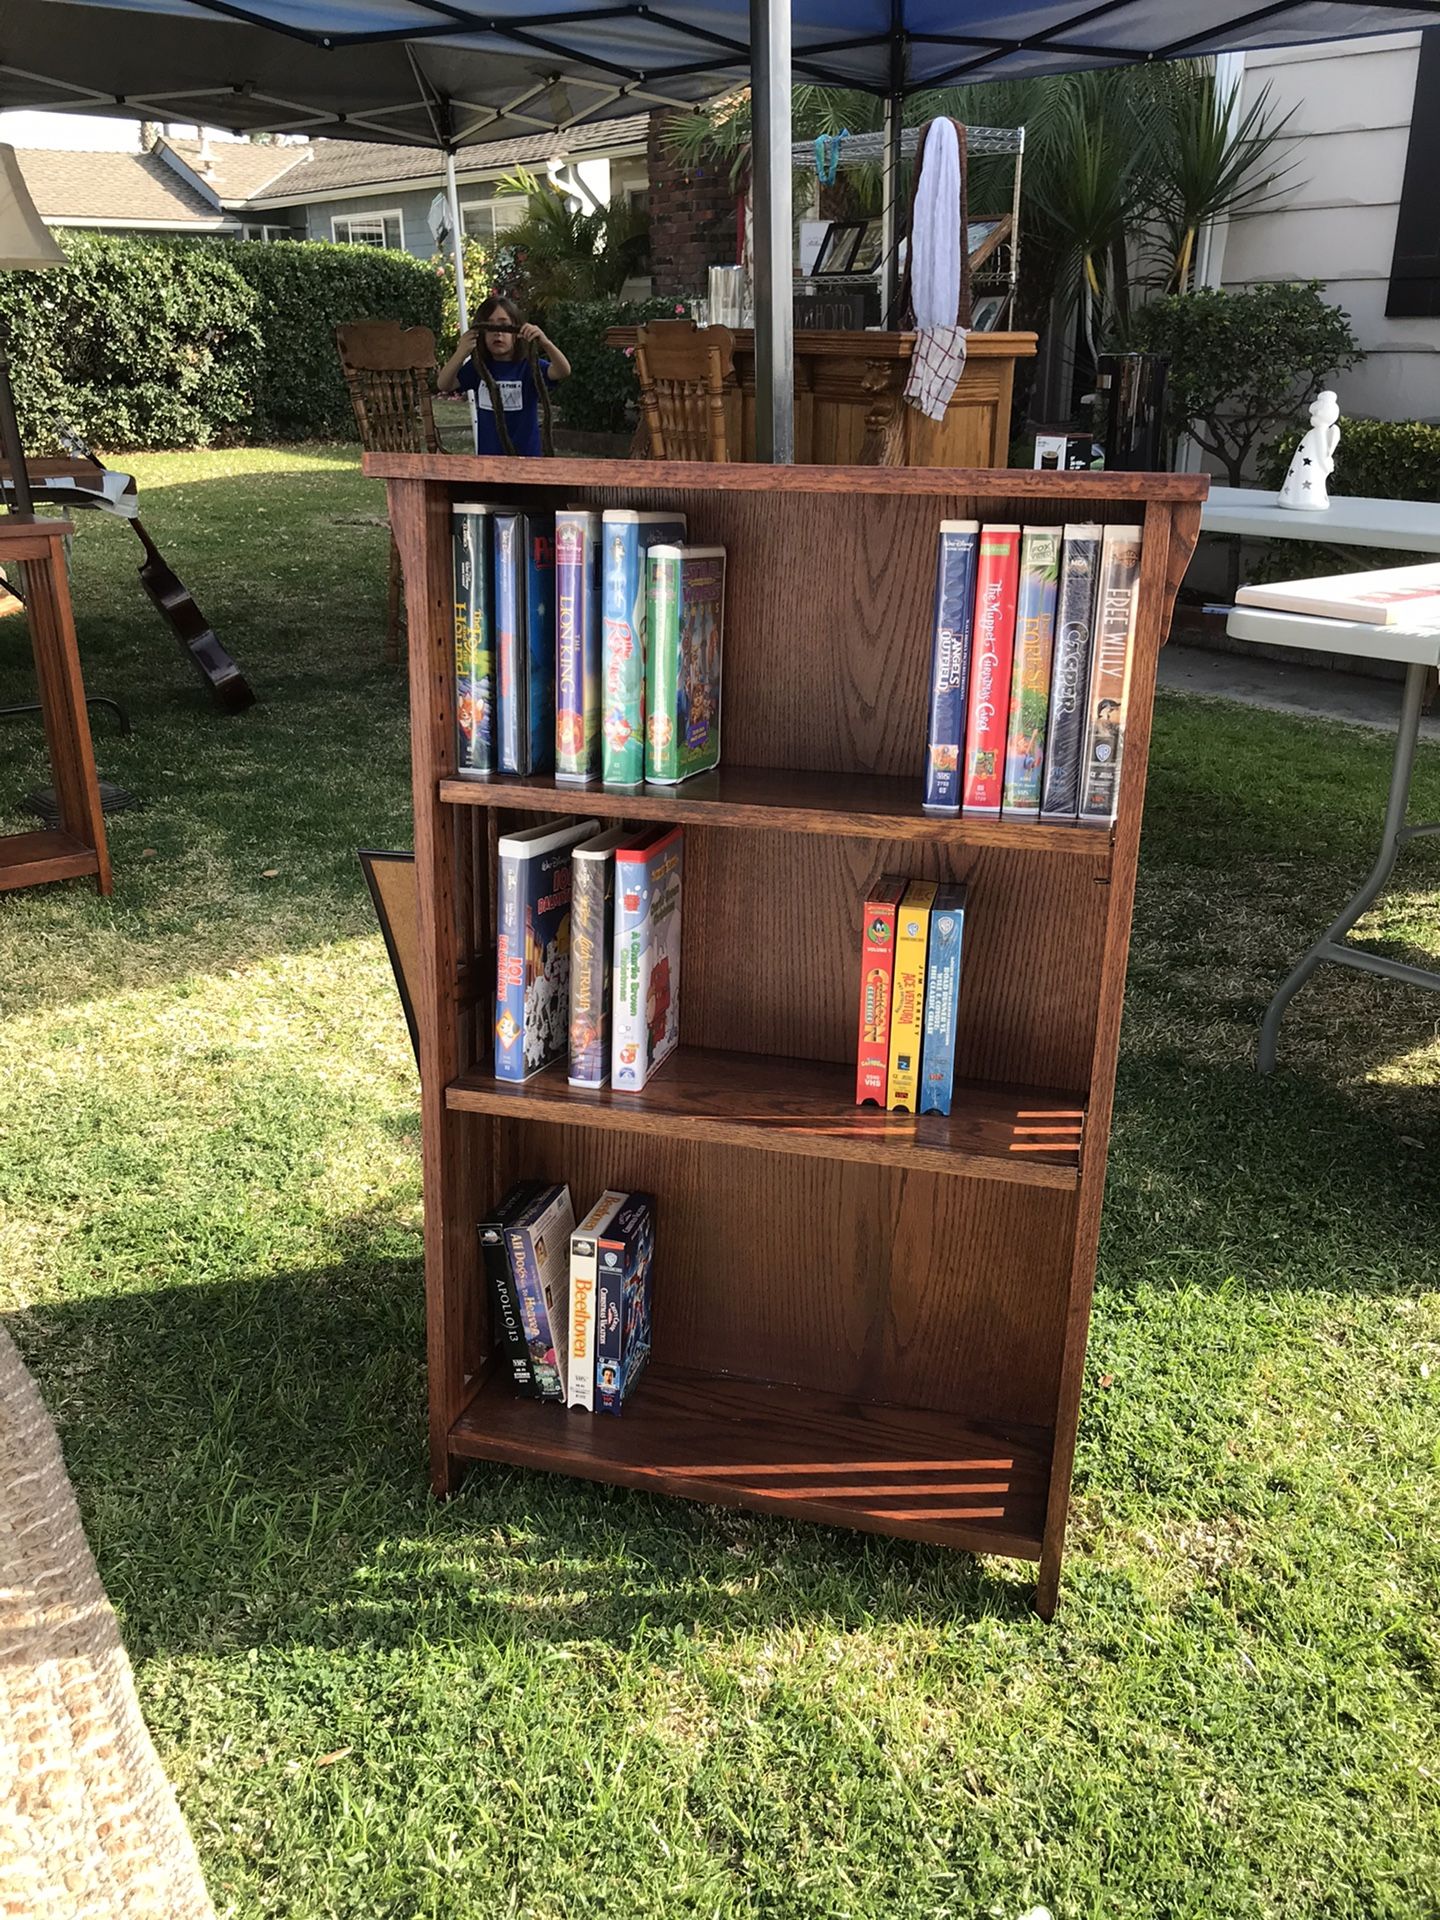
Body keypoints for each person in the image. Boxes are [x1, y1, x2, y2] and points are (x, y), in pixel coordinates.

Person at [437, 294, 570, 457]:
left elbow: (563, 370)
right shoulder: (478, 367)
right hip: (489, 459)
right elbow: (444, 384)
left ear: (516, 332)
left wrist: (545, 342)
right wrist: (461, 352)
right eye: (490, 327)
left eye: (504, 326)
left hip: (528, 458)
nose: (497, 333)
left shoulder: (530, 366)